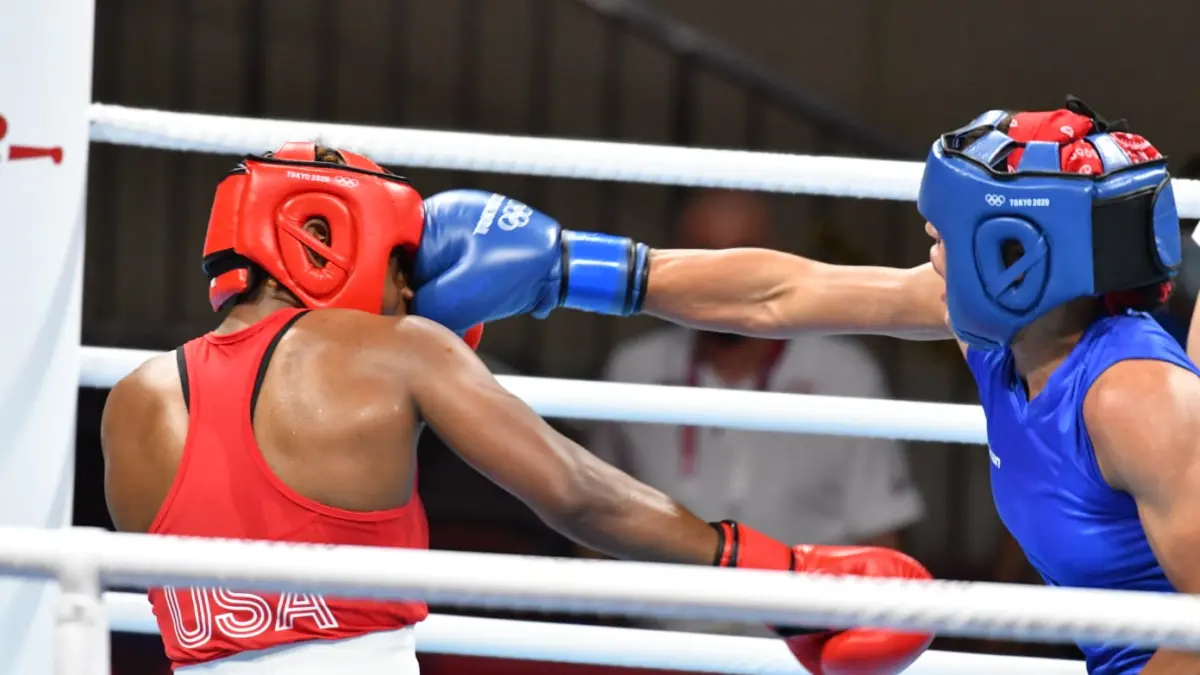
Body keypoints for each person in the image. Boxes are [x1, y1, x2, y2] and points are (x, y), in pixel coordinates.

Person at [416, 97, 1200, 675]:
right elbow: (783, 293)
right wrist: (574, 268)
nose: (929, 252)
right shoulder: (1005, 328)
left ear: (1018, 256)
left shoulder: (1134, 399)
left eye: (945, 239)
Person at [100, 143, 933, 675]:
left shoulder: (132, 402)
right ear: (323, 239)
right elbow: (579, 493)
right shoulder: (400, 351)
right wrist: (780, 575)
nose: (405, 292)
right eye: (400, 266)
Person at [592, 189, 922, 551]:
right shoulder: (634, 371)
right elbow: (594, 519)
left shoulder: (844, 375)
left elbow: (881, 536)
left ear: (779, 261)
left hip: (803, 605)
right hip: (662, 606)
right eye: (702, 255)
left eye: (739, 256)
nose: (720, 277)